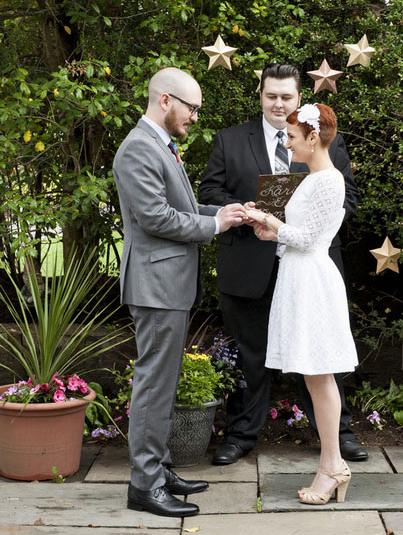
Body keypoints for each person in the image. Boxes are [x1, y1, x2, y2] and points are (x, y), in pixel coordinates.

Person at [198, 62, 367, 465]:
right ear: (259, 95)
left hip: (308, 266)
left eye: (286, 96)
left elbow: (349, 196)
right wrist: (241, 211)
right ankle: (240, 435)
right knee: (248, 354)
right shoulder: (229, 139)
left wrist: (311, 224)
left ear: (299, 99)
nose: (278, 103)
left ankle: (335, 435)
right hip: (248, 265)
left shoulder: (322, 141)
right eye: (271, 95)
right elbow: (209, 190)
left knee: (318, 355)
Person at [113, 68, 246, 519]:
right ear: (166, 100)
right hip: (155, 286)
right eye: (192, 108)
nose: (195, 117)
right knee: (153, 385)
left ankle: (159, 469)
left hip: (167, 285)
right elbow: (154, 218)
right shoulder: (137, 148)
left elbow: (180, 209)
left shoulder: (160, 145)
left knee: (164, 383)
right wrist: (214, 226)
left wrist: (220, 211)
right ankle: (144, 485)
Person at [247, 102, 358, 505]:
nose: (288, 143)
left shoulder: (329, 180)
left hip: (312, 280)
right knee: (313, 376)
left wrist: (275, 224)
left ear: (313, 138)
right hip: (298, 277)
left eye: (293, 137)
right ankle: (332, 465)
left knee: (320, 374)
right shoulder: (310, 178)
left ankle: (333, 465)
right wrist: (270, 231)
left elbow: (310, 240)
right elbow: (299, 232)